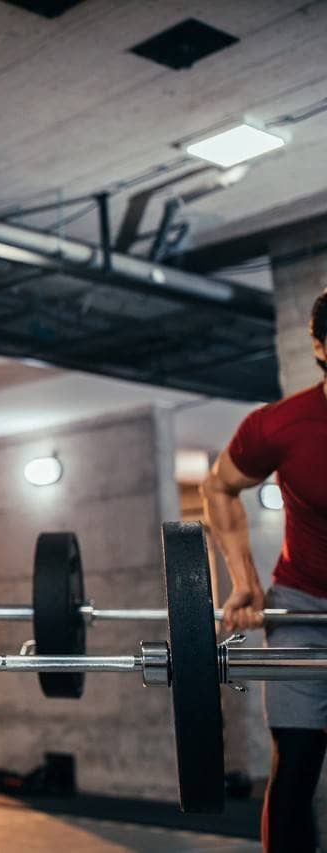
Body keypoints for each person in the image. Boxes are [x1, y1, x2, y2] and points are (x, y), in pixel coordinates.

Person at [201, 287, 327, 853]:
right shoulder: (281, 426)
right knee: (297, 761)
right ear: (321, 347)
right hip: (303, 606)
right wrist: (244, 579)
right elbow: (220, 485)